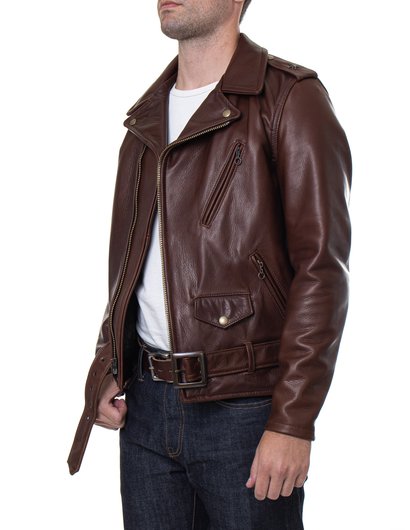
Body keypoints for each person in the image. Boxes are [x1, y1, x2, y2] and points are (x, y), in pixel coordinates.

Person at [68, 1, 352, 528]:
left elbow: (322, 271)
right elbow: (131, 262)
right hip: (146, 409)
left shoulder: (289, 98)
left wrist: (293, 421)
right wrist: (111, 358)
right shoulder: (145, 118)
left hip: (246, 410)